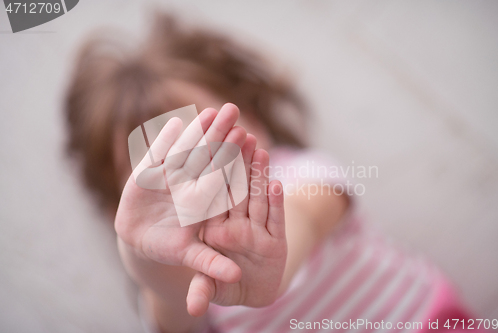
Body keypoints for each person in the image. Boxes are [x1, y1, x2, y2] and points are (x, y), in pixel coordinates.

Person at [65, 13, 476, 333]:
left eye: (206, 135)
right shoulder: (176, 270)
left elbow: (300, 220)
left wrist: (268, 272)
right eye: (157, 163)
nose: (190, 165)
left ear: (254, 118)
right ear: (121, 199)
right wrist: (139, 250)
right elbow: (166, 298)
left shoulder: (301, 175)